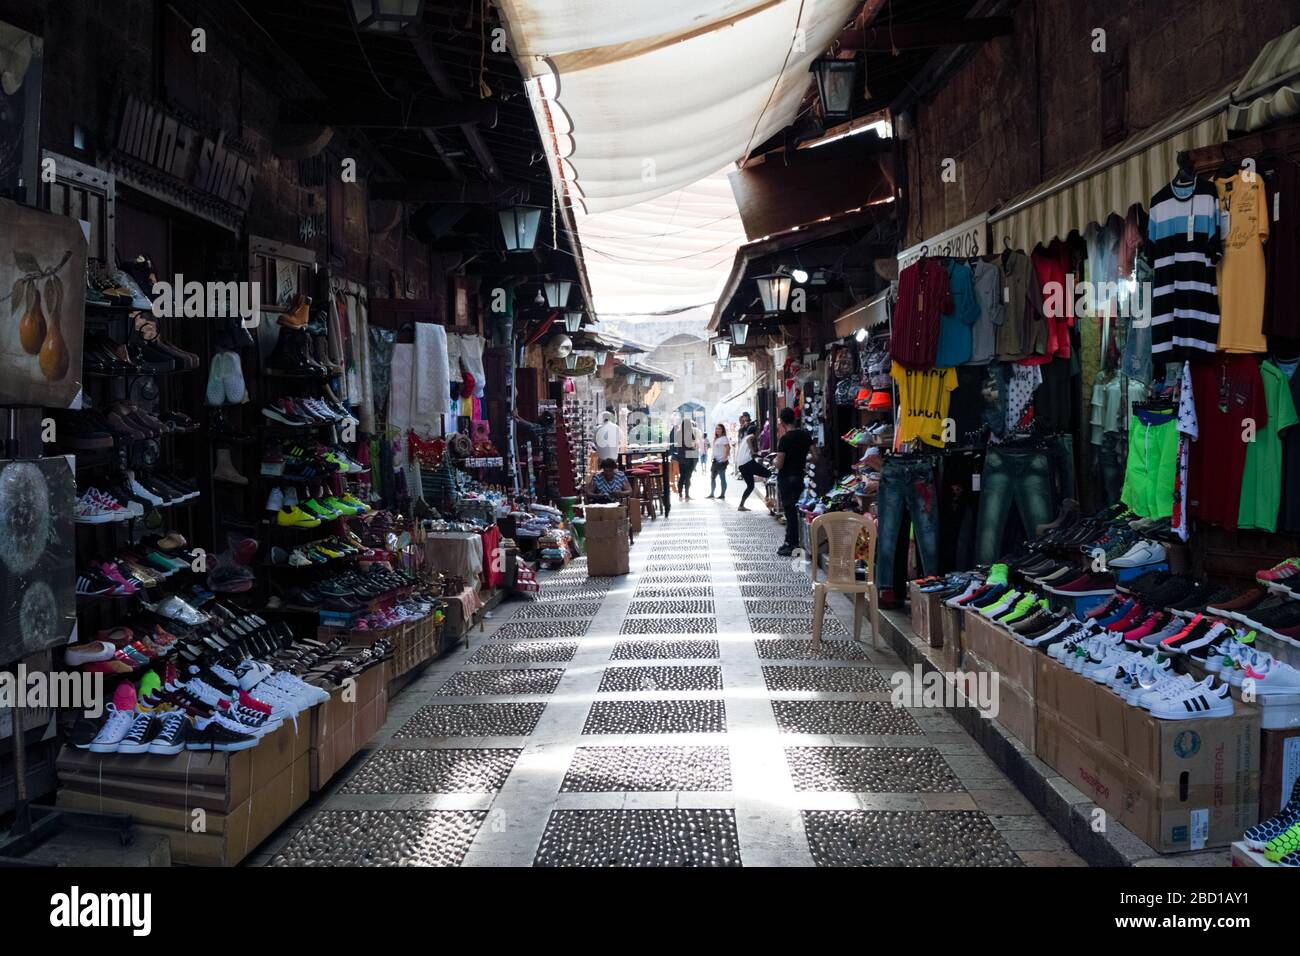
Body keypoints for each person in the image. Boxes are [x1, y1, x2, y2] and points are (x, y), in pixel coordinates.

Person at [773, 407, 812, 555]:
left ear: (782, 422)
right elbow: (814, 455)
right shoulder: (805, 435)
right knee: (797, 509)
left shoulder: (784, 439)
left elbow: (780, 463)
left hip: (786, 478)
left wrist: (774, 462)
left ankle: (791, 543)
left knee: (790, 511)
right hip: (799, 476)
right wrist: (802, 459)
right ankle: (793, 541)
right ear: (794, 419)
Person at [734, 415, 768, 512]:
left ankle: (741, 505)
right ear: (755, 431)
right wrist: (753, 451)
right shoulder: (750, 436)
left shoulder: (744, 438)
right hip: (747, 463)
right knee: (768, 474)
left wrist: (755, 454)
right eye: (758, 431)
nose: (759, 433)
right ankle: (769, 498)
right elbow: (750, 441)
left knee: (750, 486)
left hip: (742, 465)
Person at [668, 414, 700, 500]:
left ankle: (680, 495)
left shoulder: (678, 433)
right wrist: (695, 446)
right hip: (689, 457)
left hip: (681, 457)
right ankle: (687, 494)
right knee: (688, 477)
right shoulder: (689, 433)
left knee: (682, 476)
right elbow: (692, 445)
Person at [707, 423, 730, 499]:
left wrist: (724, 458)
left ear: (722, 430)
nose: (717, 430)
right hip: (715, 461)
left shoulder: (724, 438)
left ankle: (722, 494)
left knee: (722, 478)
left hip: (721, 461)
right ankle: (711, 493)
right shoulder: (716, 438)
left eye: (719, 429)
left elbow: (728, 448)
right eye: (716, 429)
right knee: (712, 478)